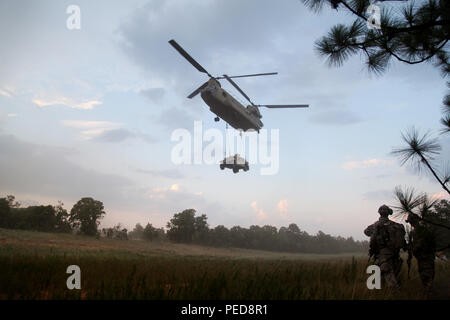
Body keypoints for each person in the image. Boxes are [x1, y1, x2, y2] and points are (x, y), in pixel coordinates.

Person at [364, 205, 407, 288]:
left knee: (387, 273)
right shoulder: (396, 225)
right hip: (395, 253)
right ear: (389, 213)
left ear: (379, 213)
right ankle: (386, 290)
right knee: (392, 272)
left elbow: (366, 232)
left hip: (383, 254)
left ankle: (394, 290)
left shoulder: (375, 226)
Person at [406, 212, 436, 294]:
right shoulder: (414, 232)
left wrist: (412, 249)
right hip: (421, 258)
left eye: (411, 221)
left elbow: (420, 244)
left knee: (427, 277)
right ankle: (428, 293)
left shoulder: (423, 231)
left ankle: (429, 294)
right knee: (424, 277)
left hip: (426, 257)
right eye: (410, 222)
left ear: (416, 221)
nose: (411, 223)